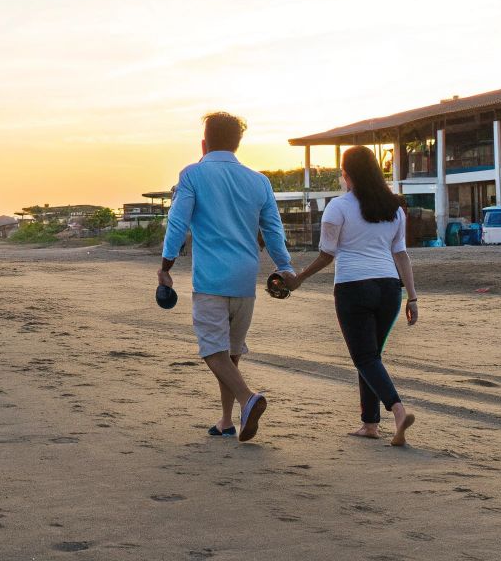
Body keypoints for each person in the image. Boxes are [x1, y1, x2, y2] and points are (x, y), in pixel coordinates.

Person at [159, 112, 295, 441]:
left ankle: (248, 399)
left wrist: (165, 266)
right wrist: (285, 266)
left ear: (203, 143)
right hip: (245, 280)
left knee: (212, 350)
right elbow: (273, 230)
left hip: (211, 278)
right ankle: (226, 420)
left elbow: (178, 223)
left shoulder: (192, 175)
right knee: (231, 351)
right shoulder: (258, 180)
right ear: (237, 143)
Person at [281, 145, 420, 446]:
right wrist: (412, 297)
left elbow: (326, 255)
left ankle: (397, 411)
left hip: (353, 287)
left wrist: (299, 279)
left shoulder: (338, 207)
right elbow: (402, 255)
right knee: (371, 356)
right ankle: (370, 424)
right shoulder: (393, 208)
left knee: (365, 356)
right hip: (389, 289)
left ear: (347, 173)